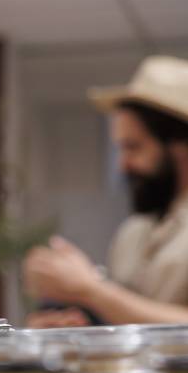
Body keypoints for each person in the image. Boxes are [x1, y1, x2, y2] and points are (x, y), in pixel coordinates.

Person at [25, 55, 188, 327]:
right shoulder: (133, 233)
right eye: (120, 148)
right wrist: (77, 325)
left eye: (133, 147)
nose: (122, 165)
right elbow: (129, 330)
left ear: (179, 146)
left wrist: (91, 290)